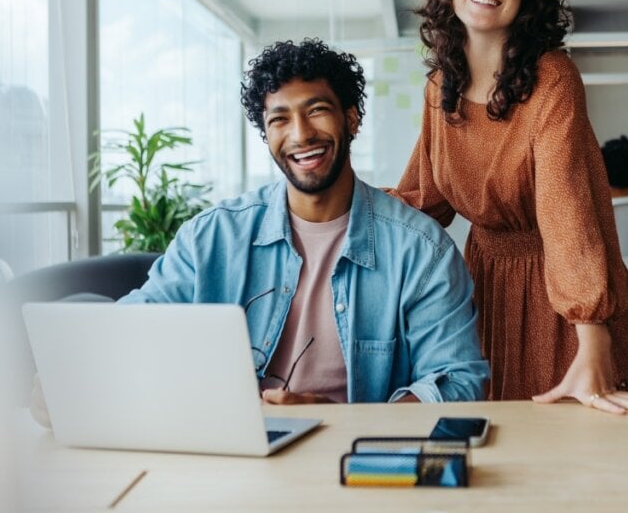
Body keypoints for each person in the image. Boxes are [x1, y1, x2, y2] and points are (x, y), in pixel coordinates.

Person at [32, 40, 487, 425]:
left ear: (351, 119)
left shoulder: (421, 250)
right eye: (280, 119)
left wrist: (336, 421)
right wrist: (62, 377)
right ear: (266, 134)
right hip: (228, 447)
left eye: (317, 111)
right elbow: (130, 329)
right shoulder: (211, 238)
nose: (301, 134)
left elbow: (458, 380)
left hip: (351, 457)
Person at [388, 0, 628, 415]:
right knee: (495, 439)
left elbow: (565, 211)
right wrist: (330, 217)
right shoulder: (442, 87)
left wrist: (591, 336)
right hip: (481, 285)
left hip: (560, 292)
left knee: (569, 450)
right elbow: (423, 199)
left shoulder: (553, 78)